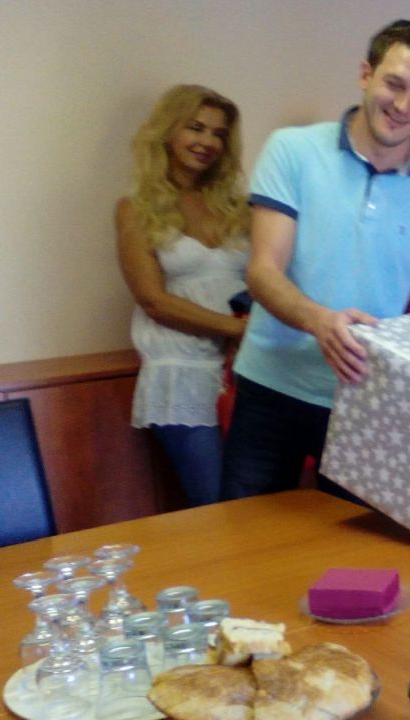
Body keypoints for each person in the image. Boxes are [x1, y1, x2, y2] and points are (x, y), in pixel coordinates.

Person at [222, 20, 410, 500]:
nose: (403, 106)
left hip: (366, 399)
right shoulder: (292, 150)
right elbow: (262, 272)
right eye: (394, 84)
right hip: (271, 388)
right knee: (245, 536)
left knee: (353, 547)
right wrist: (321, 323)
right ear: (365, 74)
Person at [116, 85, 250, 507]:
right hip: (181, 374)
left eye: (218, 133)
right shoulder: (135, 208)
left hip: (242, 371)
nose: (207, 141)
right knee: (217, 506)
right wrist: (234, 328)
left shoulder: (238, 208)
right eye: (195, 128)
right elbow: (153, 301)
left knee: (258, 506)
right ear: (168, 131)